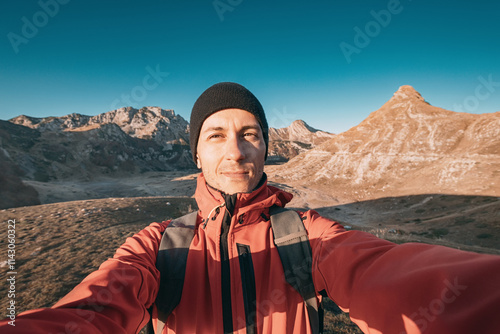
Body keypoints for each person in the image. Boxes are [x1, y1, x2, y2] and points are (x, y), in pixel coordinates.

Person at [1, 82, 500, 334]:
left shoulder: (309, 235)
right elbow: (92, 310)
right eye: (216, 136)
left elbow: (393, 273)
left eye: (250, 135)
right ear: (196, 152)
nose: (235, 151)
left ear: (266, 148)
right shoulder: (157, 245)